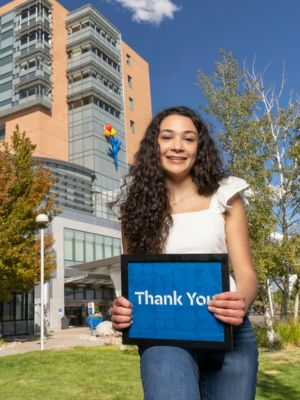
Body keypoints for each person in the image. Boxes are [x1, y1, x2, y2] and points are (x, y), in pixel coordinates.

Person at [111, 106, 258, 400]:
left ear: (199, 147)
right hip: (164, 335)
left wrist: (240, 303)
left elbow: (245, 273)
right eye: (168, 137)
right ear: (155, 145)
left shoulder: (225, 194)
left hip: (228, 330)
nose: (177, 146)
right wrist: (122, 310)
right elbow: (137, 282)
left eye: (188, 139)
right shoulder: (134, 207)